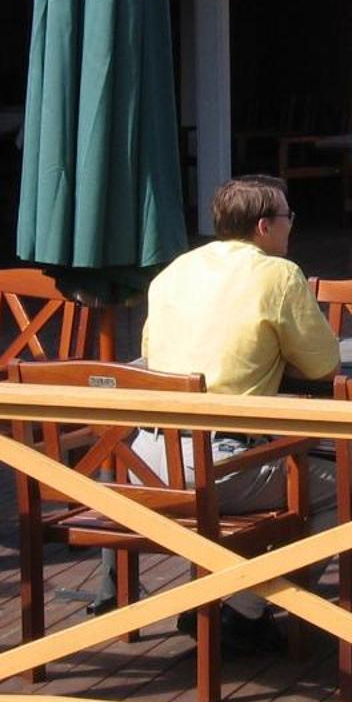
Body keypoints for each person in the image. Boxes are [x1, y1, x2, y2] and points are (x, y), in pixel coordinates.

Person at [139, 175, 341, 653]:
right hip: (213, 467)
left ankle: (222, 595)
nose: (293, 228)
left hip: (143, 462)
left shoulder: (174, 271)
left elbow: (150, 354)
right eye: (289, 218)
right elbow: (324, 364)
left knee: (283, 466)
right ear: (265, 225)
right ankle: (242, 606)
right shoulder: (278, 274)